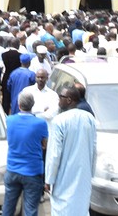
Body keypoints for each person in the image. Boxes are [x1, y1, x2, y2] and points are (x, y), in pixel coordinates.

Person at [45, 86, 97, 216]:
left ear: (69, 100)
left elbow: (54, 155)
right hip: (83, 176)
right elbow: (94, 149)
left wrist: (49, 179)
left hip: (64, 177)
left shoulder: (59, 121)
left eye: (60, 98)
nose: (58, 101)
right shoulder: (89, 118)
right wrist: (92, 173)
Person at [2, 91, 48, 216]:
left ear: (18, 103)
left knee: (8, 207)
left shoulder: (10, 120)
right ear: (32, 104)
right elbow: (44, 145)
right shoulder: (41, 123)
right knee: (30, 210)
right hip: (32, 172)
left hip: (12, 170)